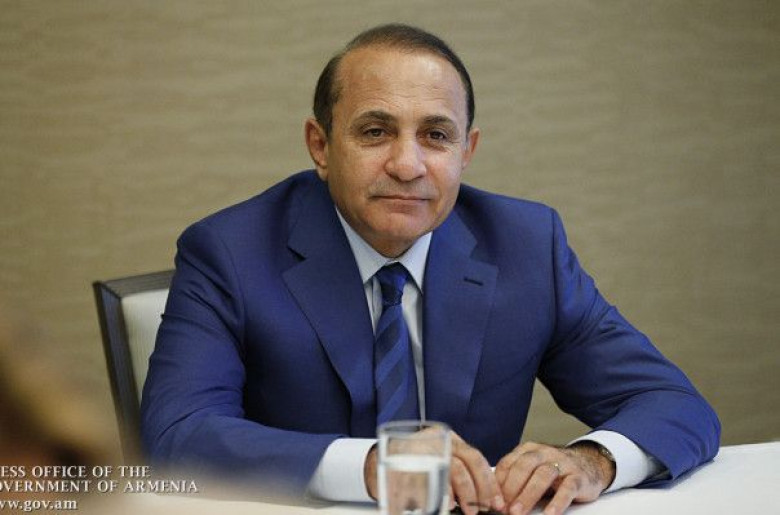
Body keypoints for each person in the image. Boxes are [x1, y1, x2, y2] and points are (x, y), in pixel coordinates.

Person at [141, 24, 720, 515]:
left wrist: (592, 461)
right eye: (375, 132)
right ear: (320, 145)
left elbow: (673, 405)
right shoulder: (229, 251)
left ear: (466, 151)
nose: (407, 164)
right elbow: (175, 435)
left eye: (436, 136)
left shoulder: (525, 246)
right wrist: (375, 466)